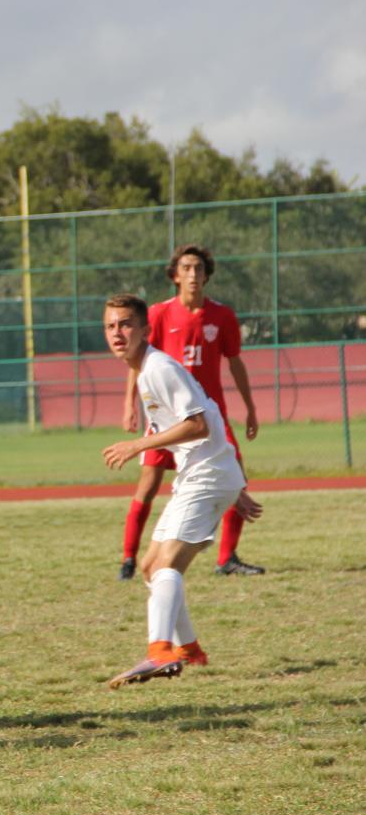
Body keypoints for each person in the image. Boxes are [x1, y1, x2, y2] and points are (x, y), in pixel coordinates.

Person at [101, 293, 262, 689]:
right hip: (204, 474)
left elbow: (198, 424)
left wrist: (138, 445)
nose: (117, 333)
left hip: (206, 474)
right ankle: (188, 647)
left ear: (144, 330)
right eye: (110, 326)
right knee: (150, 566)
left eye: (125, 324)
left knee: (166, 565)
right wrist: (233, 486)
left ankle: (160, 651)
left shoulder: (159, 368)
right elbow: (205, 413)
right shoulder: (145, 370)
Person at [117, 244, 263, 579]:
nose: (193, 275)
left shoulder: (222, 316)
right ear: (175, 275)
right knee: (149, 483)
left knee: (235, 476)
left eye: (199, 268)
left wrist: (251, 408)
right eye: (186, 268)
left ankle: (227, 558)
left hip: (207, 416)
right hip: (168, 417)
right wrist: (129, 404)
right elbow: (134, 360)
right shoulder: (157, 314)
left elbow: (236, 362)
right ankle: (127, 557)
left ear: (207, 275)